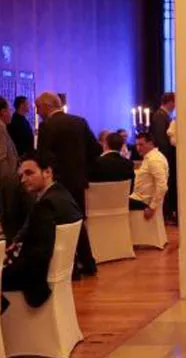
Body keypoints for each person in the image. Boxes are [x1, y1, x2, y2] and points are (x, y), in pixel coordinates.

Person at [2, 153, 83, 310]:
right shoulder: (63, 195)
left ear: (47, 172)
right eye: (21, 175)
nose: (24, 180)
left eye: (29, 173)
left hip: (38, 280)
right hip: (55, 272)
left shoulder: (45, 206)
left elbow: (38, 256)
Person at [35, 92, 100, 277]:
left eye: (38, 107)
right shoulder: (79, 122)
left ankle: (71, 269)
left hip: (59, 183)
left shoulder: (47, 126)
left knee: (62, 224)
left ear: (47, 106)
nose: (37, 111)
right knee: (77, 221)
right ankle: (88, 263)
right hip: (78, 181)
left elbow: (43, 156)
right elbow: (95, 150)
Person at [149, 92, 177, 221]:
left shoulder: (164, 115)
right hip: (165, 155)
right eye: (175, 102)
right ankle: (166, 213)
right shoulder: (160, 116)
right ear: (170, 101)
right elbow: (161, 139)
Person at [130, 133, 169, 221]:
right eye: (137, 145)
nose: (138, 148)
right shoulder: (151, 157)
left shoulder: (154, 160)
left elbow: (162, 186)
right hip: (140, 198)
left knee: (118, 203)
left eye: (141, 145)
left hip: (144, 201)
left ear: (151, 143)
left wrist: (152, 207)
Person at [0, 97, 19, 188]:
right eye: (10, 110)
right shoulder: (0, 129)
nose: (11, 113)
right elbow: (2, 158)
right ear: (3, 112)